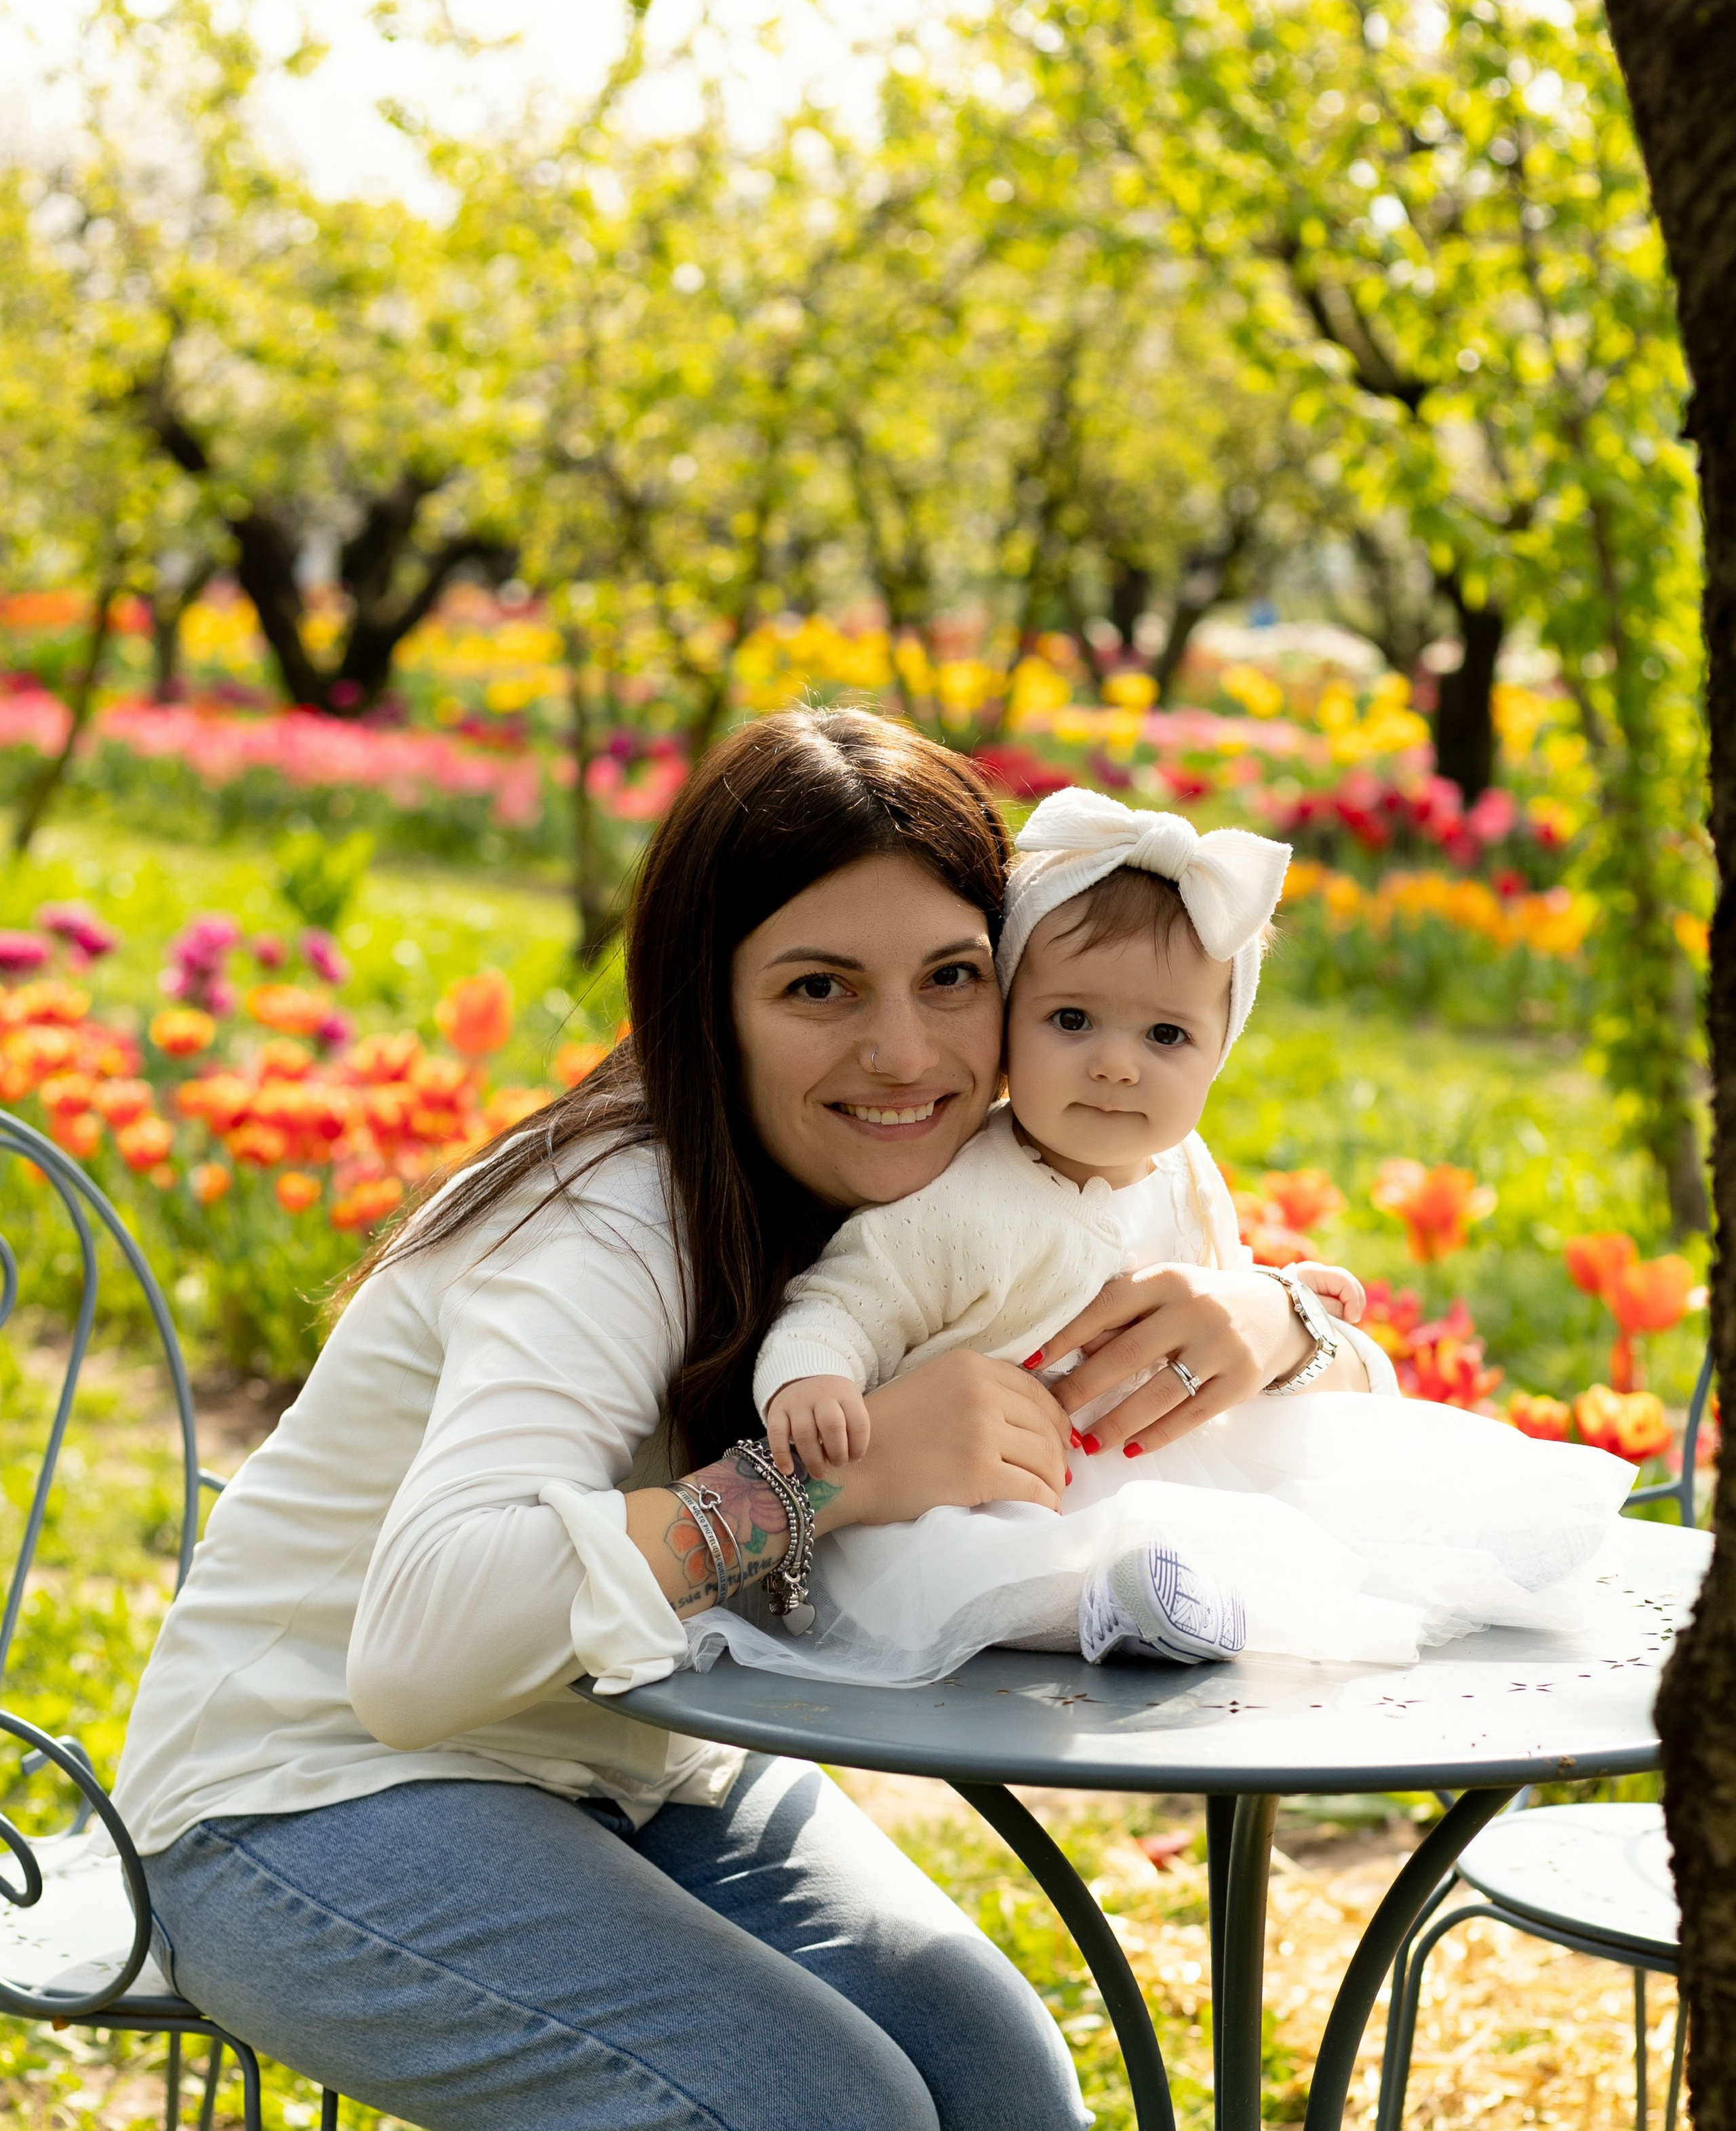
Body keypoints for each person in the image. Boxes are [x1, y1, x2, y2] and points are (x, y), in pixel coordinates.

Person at [115, 711, 1352, 2131]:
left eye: (949, 978)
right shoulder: (604, 1222)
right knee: (818, 2107)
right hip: (302, 1791)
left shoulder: (955, 1190)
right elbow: (416, 1652)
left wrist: (1279, 1324)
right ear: (706, 1002)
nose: (901, 1052)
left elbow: (1279, 1390)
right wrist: (830, 1478)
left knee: (1004, 2085)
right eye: (820, 988)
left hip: (640, 1768)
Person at [695, 787, 1636, 1692]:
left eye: (1167, 1036)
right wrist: (811, 1379)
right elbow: (845, 1301)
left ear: (1219, 1053)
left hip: (1167, 1457)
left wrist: (1278, 1295)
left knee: (1362, 1505)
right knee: (1016, 1562)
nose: (1115, 1062)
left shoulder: (1186, 1171)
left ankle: (1474, 1554)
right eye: (1071, 1020)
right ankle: (1127, 1608)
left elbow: (1210, 1298)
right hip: (997, 1488)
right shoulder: (957, 1199)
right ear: (1009, 1019)